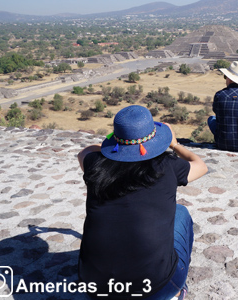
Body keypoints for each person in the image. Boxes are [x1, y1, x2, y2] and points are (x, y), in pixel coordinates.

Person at [77, 105, 208, 300]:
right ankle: (177, 289)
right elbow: (201, 166)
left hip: (95, 288)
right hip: (155, 289)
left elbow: (84, 152)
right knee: (181, 213)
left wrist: (113, 146)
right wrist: (175, 145)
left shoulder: (95, 165)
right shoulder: (168, 166)